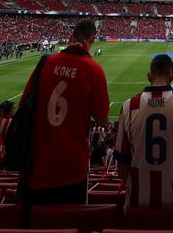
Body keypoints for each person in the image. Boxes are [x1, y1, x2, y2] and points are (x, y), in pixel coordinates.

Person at [17, 20, 110, 212]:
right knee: (69, 220)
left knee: (35, 220)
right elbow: (101, 118)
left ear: (72, 36)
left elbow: (23, 105)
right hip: (73, 165)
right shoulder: (94, 69)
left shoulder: (45, 63)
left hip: (37, 163)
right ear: (92, 38)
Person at [113, 53, 173, 208]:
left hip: (137, 208)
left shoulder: (129, 107)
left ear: (149, 76)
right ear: (172, 76)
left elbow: (122, 171)